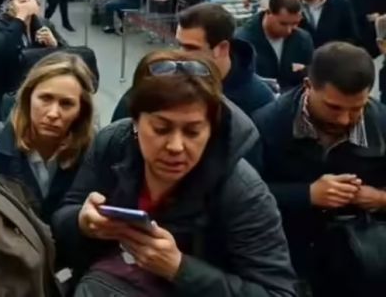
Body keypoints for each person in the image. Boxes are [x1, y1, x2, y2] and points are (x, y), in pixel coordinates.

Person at [52, 50, 296, 296]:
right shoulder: (112, 144)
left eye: (192, 132)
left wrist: (180, 269)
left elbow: (279, 292)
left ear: (211, 130)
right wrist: (81, 223)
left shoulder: (242, 191)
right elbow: (63, 217)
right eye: (161, 129)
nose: (176, 146)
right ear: (135, 122)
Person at [251, 42, 386, 296]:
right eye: (333, 107)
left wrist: (379, 199)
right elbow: (244, 197)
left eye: (357, 108)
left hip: (365, 263)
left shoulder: (382, 124)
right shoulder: (266, 126)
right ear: (308, 86)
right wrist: (306, 194)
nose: (344, 119)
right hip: (289, 259)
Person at [0, 53, 95, 219]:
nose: (53, 113)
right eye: (45, 98)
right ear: (28, 98)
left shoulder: (92, 152)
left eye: (66, 104)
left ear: (81, 110)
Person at [112, 3, 276, 121]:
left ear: (222, 48)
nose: (180, 55)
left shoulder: (257, 101)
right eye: (179, 45)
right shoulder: (157, 81)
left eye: (191, 48)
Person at [0, 0, 64, 127]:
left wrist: (55, 45)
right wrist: (20, 18)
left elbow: (68, 57)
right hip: (4, 102)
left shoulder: (44, 25)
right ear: (10, 4)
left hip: (36, 98)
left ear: (37, 3)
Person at [236, 0, 314, 91]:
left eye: (295, 23)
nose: (289, 30)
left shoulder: (303, 40)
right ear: (268, 12)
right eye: (283, 24)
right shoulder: (243, 41)